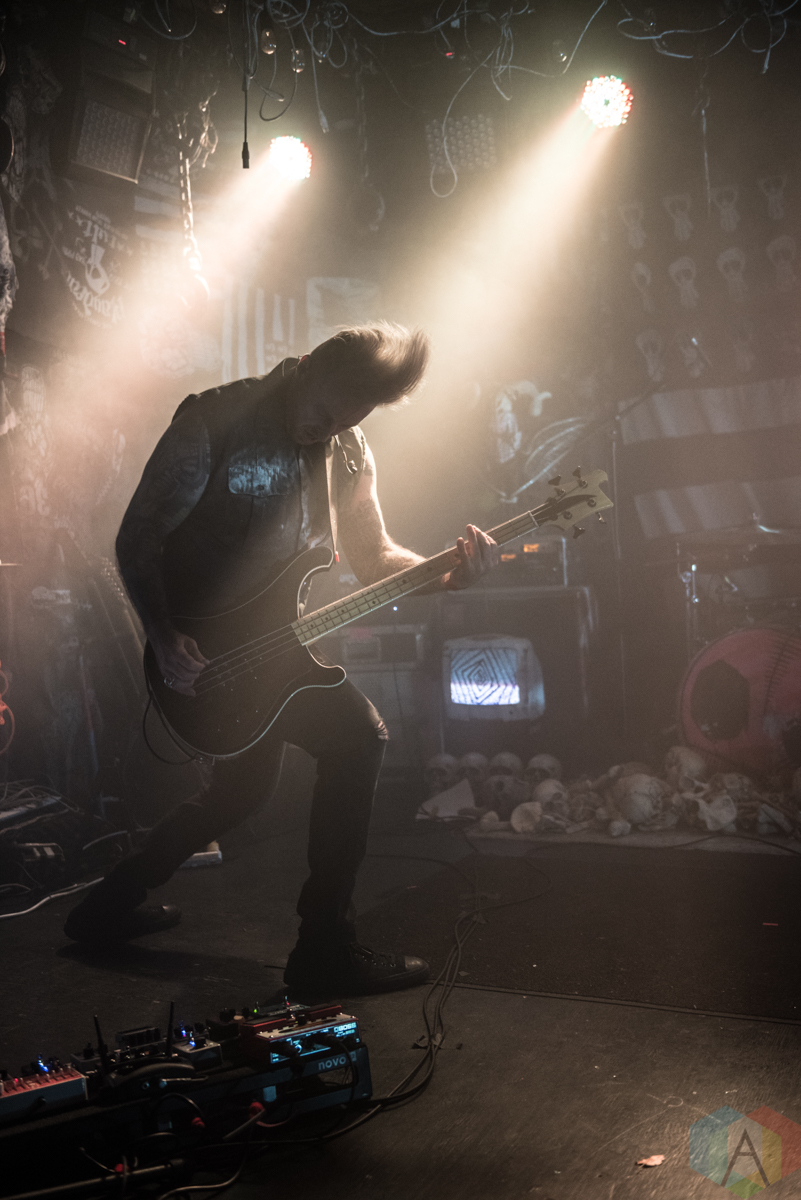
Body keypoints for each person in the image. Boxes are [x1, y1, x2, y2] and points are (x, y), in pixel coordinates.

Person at [64, 323, 499, 997]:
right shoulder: (213, 421)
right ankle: (325, 948)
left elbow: (374, 557)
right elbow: (137, 537)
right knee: (358, 738)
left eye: (347, 421)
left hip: (273, 645)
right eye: (323, 412)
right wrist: (163, 635)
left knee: (240, 793)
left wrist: (447, 575)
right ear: (305, 367)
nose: (326, 431)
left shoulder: (348, 450)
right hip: (200, 650)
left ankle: (104, 908)